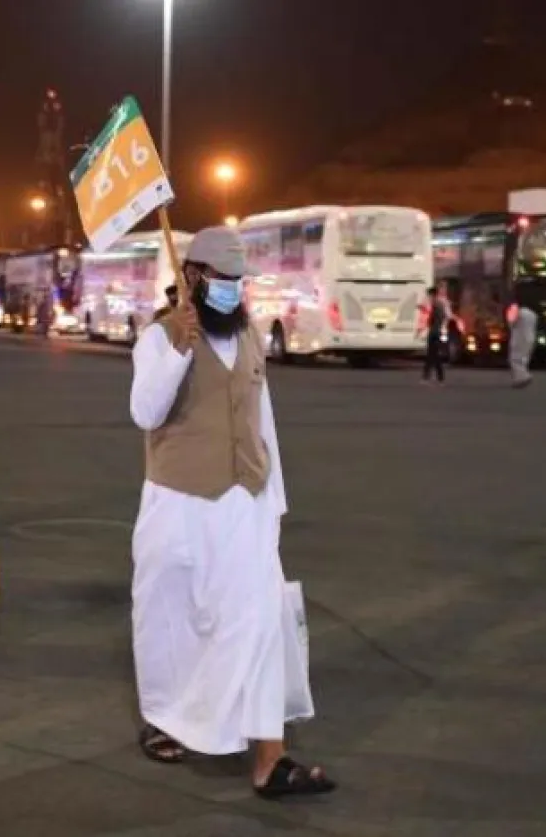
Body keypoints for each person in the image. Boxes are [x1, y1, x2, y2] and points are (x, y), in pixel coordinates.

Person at [128, 226, 335, 800]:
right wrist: (178, 350)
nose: (233, 293)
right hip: (179, 505)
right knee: (174, 620)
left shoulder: (247, 336)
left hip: (244, 504)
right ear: (193, 278)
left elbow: (259, 423)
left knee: (262, 620)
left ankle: (272, 758)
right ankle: (168, 719)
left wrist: (274, 501)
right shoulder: (160, 337)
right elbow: (145, 412)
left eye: (239, 283)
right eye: (222, 282)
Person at [419, 285, 454, 385]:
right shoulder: (439, 304)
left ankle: (429, 377)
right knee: (434, 355)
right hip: (436, 331)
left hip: (435, 332)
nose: (428, 297)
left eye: (429, 295)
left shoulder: (437, 304)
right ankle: (437, 377)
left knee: (432, 355)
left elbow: (436, 318)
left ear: (432, 294)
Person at [509, 303, 539, 388]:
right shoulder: (533, 314)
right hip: (530, 337)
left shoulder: (517, 312)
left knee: (515, 359)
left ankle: (524, 377)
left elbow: (511, 323)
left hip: (519, 337)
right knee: (523, 359)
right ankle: (519, 378)